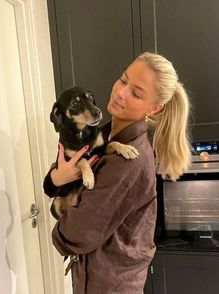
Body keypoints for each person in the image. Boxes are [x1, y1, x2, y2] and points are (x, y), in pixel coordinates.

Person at [43, 52, 191, 293]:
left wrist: (59, 231)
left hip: (108, 284)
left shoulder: (127, 161)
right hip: (101, 276)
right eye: (123, 80)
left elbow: (79, 233)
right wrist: (56, 179)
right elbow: (61, 172)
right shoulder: (105, 133)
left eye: (136, 92)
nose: (120, 92)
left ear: (154, 107)